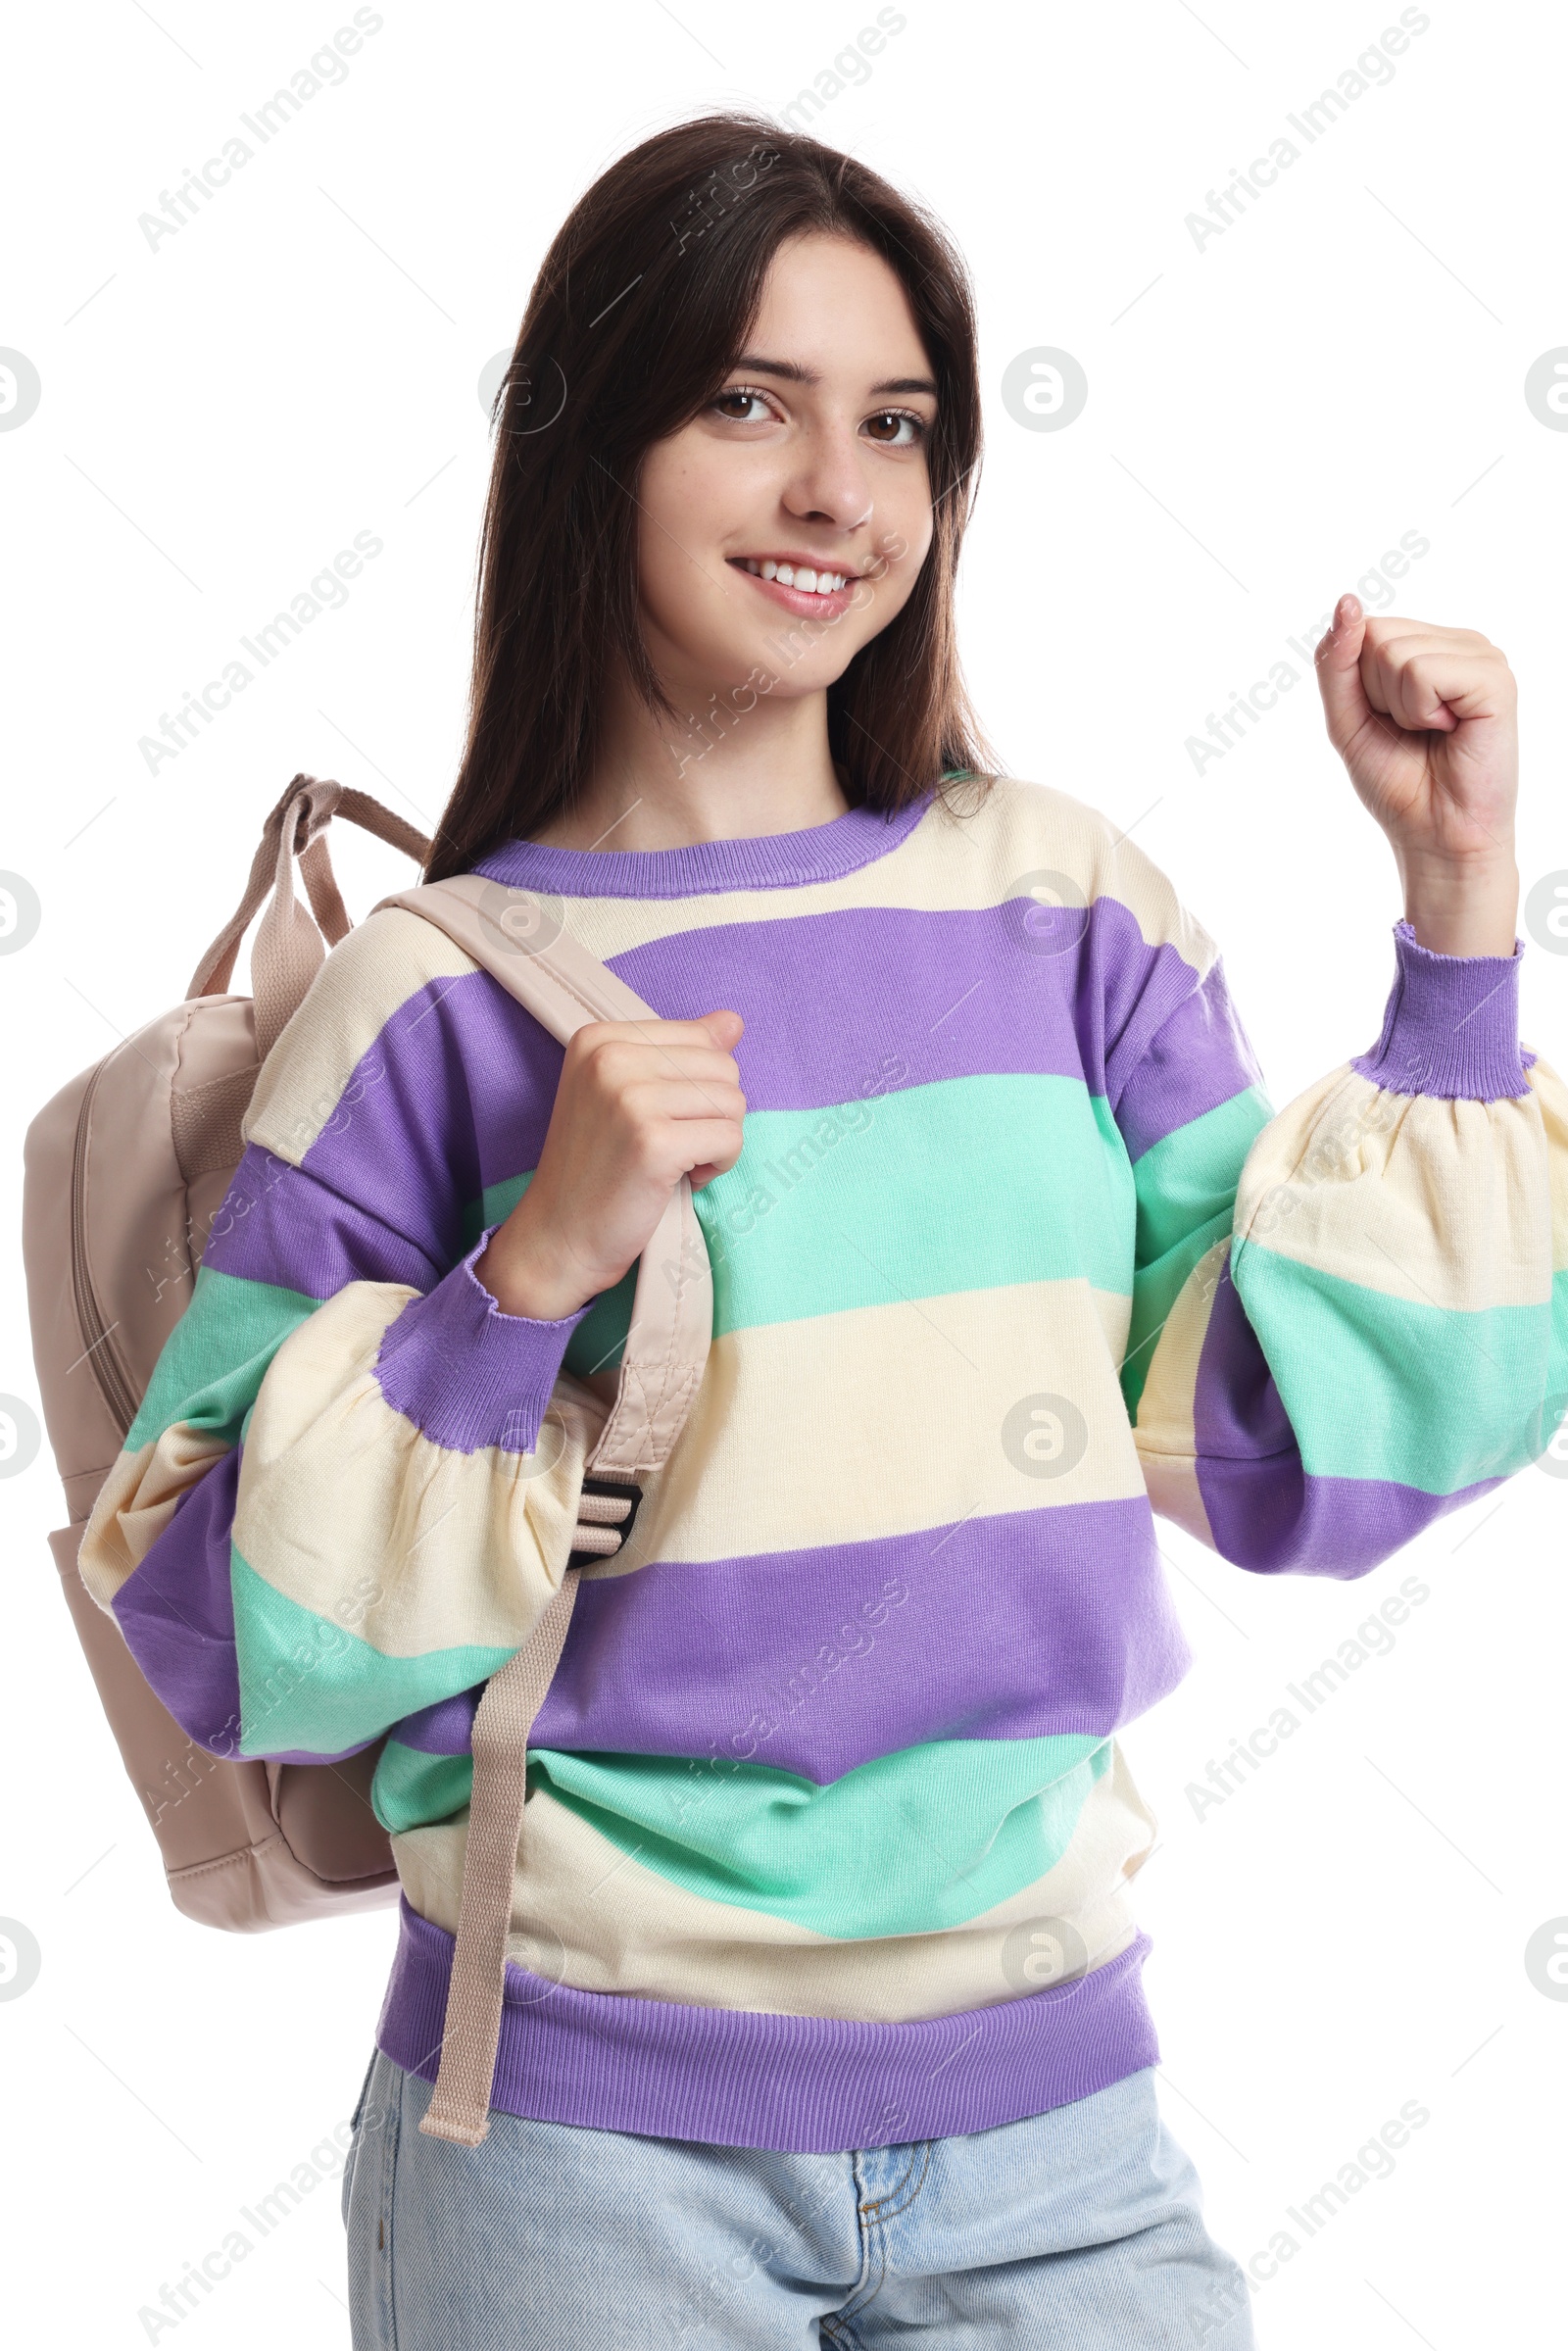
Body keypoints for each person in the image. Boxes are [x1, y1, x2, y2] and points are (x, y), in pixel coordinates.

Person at [79, 112, 1560, 2349]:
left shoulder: (1063, 911)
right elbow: (213, 1635)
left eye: (897, 427)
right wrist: (525, 1283)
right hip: (576, 2159)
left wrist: (1456, 931)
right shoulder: (428, 1004)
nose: (835, 495)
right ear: (595, 441)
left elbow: (1290, 1452)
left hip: (1060, 2139)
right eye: (746, 404)